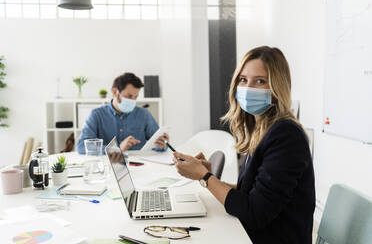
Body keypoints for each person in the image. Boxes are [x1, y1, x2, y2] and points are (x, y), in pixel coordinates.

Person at [173, 46, 315, 244]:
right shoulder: (261, 129)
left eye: (260, 81)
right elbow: (252, 192)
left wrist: (204, 177)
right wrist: (208, 176)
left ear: (277, 87)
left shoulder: (286, 135)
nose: (248, 88)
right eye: (243, 80)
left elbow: (254, 213)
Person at [77, 72, 169, 154]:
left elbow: (158, 144)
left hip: (140, 165)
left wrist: (162, 145)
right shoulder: (97, 115)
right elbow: (81, 146)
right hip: (109, 166)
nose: (132, 101)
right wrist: (116, 149)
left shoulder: (144, 114)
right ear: (114, 92)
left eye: (135, 97)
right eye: (128, 96)